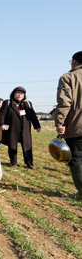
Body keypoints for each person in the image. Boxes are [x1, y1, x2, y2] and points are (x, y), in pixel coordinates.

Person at [54, 51, 82, 200]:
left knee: (76, 159)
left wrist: (60, 122)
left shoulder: (68, 77)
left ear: (75, 61)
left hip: (77, 126)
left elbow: (65, 102)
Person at [0, 87, 41, 169]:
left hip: (25, 129)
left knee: (27, 146)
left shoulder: (28, 104)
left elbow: (33, 116)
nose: (19, 95)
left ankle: (29, 163)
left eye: (21, 94)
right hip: (12, 129)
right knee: (12, 146)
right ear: (13, 94)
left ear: (24, 95)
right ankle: (13, 162)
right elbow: (2, 114)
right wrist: (1, 124)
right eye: (17, 93)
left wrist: (37, 126)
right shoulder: (7, 102)